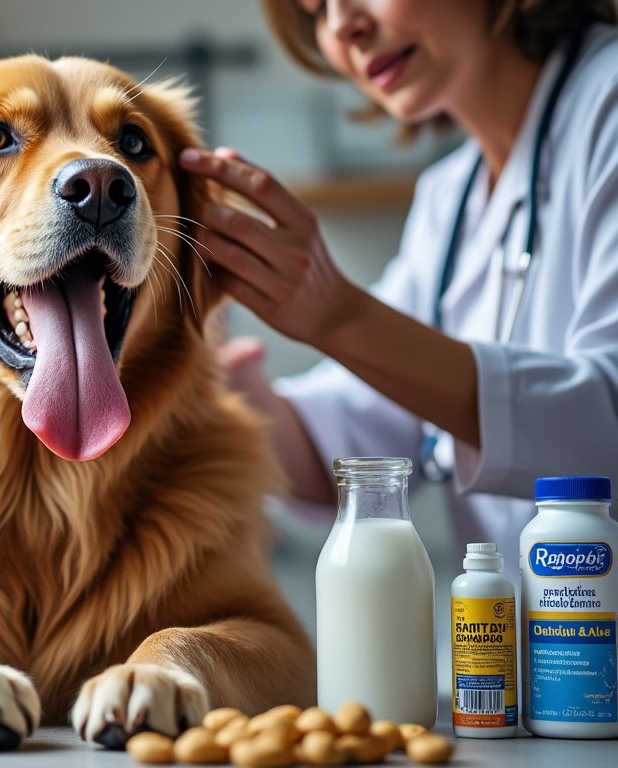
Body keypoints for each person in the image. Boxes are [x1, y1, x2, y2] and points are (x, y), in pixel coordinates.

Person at [178, 0, 618, 578]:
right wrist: (213, 377)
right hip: (530, 654)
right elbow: (354, 446)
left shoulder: (607, 104)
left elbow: (604, 424)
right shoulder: (450, 196)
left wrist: (336, 315)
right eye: (316, 11)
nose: (342, 28)